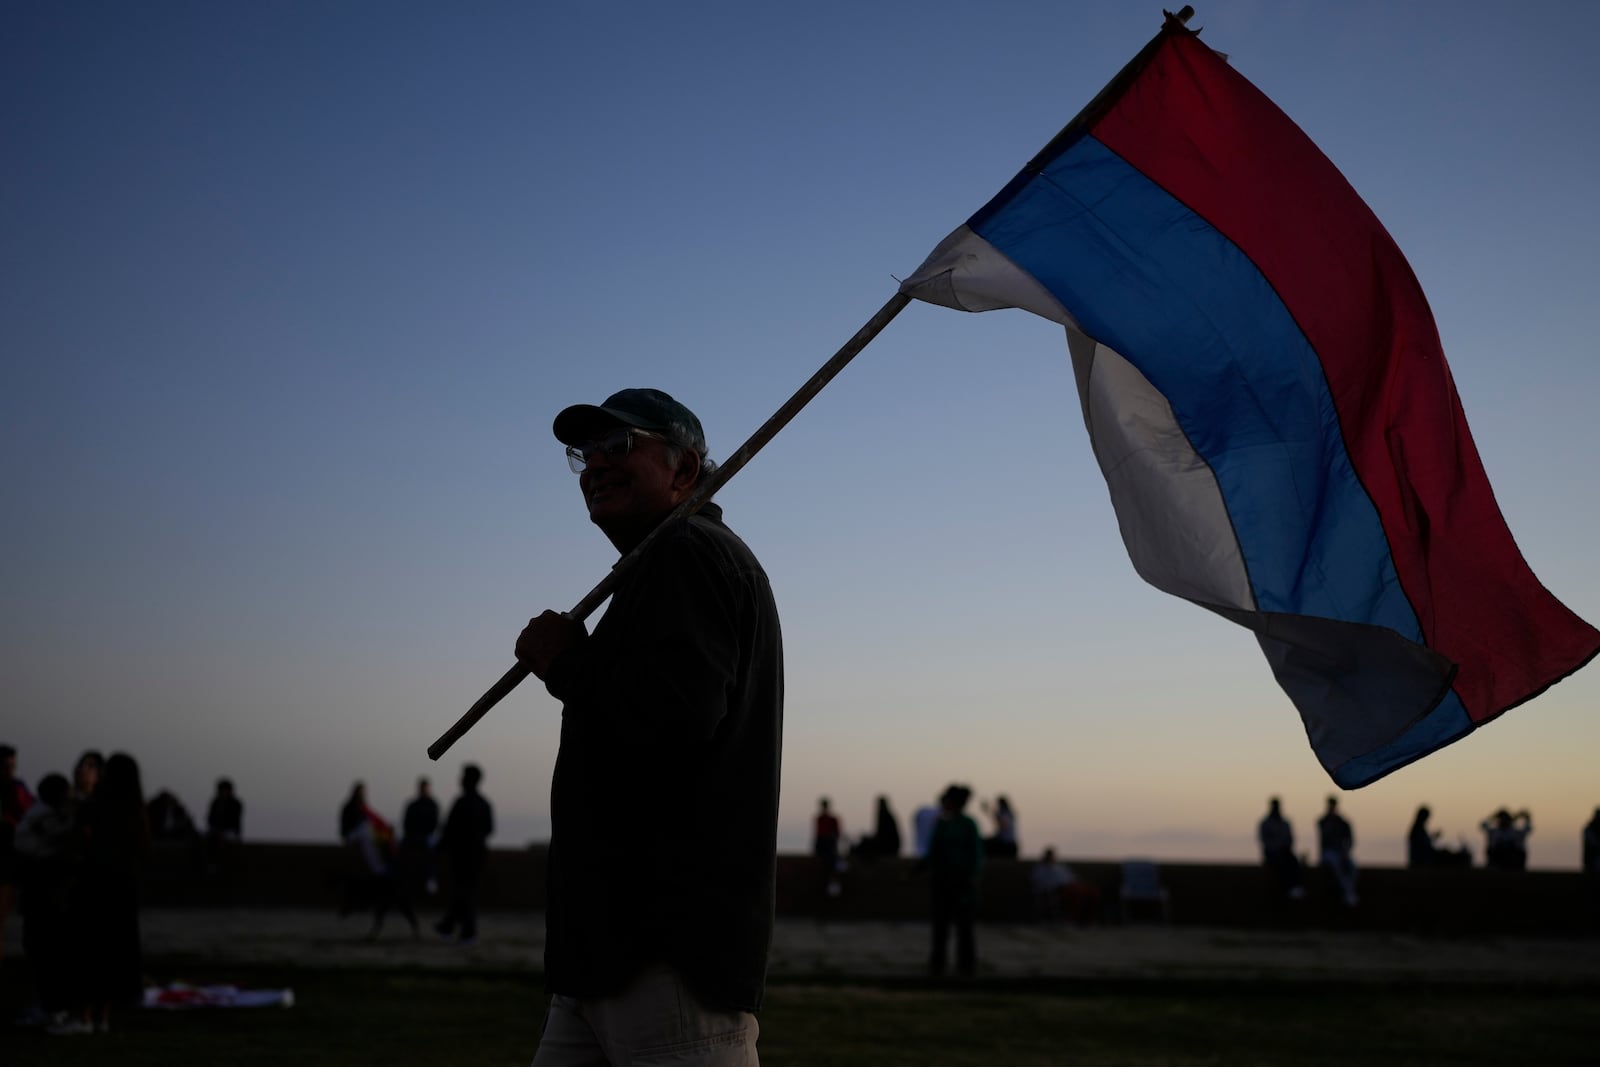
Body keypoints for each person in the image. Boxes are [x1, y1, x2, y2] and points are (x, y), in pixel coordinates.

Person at [515, 387, 782, 1065]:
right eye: (586, 452)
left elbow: (673, 718)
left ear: (686, 472)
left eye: (621, 445)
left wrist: (567, 662)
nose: (596, 464)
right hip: (609, 955)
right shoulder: (662, 564)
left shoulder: (687, 550)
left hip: (664, 958)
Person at [73, 751, 148, 1034]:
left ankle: (85, 1016)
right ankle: (103, 1018)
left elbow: (81, 839)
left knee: (93, 951)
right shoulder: (135, 811)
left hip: (97, 885)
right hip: (124, 888)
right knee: (116, 952)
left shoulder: (97, 805)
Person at [14, 772, 76, 1028]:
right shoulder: (49, 818)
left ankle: (53, 1004)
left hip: (44, 889)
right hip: (45, 888)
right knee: (46, 951)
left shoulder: (40, 817)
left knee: (45, 951)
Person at [338, 782, 417, 940]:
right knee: (368, 833)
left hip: (384, 885)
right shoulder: (350, 808)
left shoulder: (362, 808)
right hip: (352, 835)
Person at [921, 784, 982, 977]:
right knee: (941, 925)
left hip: (962, 882)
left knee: (964, 926)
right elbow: (933, 853)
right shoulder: (942, 824)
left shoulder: (968, 824)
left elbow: (976, 854)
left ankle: (966, 964)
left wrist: (971, 876)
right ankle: (938, 963)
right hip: (942, 881)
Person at [433, 764, 493, 945]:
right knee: (466, 892)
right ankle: (450, 926)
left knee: (464, 893)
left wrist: (439, 848)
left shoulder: (461, 803)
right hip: (476, 856)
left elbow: (448, 830)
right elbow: (489, 829)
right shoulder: (483, 804)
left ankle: (465, 931)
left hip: (461, 856)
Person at [0, 743, 35, 964]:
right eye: (6, 766)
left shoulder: (17, 789)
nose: (10, 770)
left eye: (12, 766)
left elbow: (29, 815)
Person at [401, 776, 441, 896]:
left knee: (431, 850)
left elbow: (434, 823)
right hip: (414, 835)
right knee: (400, 849)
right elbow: (407, 823)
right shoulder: (413, 805)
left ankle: (431, 878)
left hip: (426, 835)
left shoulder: (432, 805)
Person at [1258, 797, 1304, 901]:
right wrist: (1277, 848)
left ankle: (1296, 887)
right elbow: (1265, 841)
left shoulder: (1285, 823)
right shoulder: (1266, 823)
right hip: (1272, 854)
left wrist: (1284, 848)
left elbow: (1290, 839)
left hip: (1285, 853)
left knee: (1293, 862)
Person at [1317, 795, 1358, 907]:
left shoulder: (1342, 822)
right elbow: (1323, 841)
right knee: (1337, 867)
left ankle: (1349, 893)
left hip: (1341, 852)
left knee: (1352, 868)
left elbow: (1349, 840)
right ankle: (1348, 894)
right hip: (1329, 853)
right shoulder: (1323, 821)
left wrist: (1345, 852)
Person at [853, 795, 902, 860]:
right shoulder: (886, 815)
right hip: (889, 845)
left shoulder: (884, 816)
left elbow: (882, 836)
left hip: (888, 847)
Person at [812, 797, 843, 897]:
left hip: (828, 845)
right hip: (825, 846)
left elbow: (836, 834)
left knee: (830, 863)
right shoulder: (821, 819)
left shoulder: (829, 819)